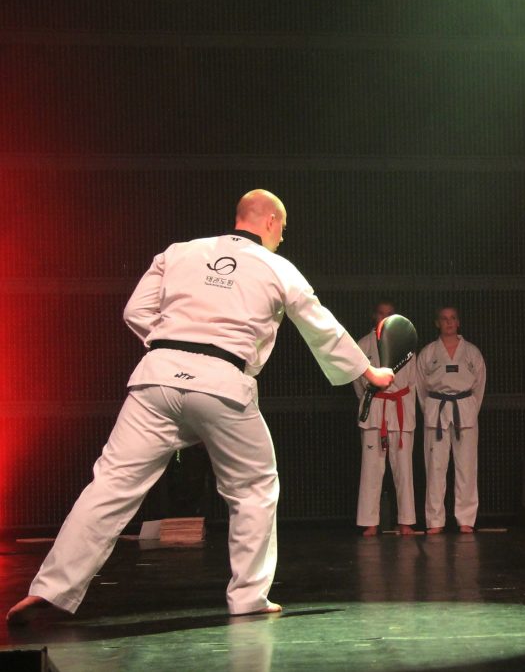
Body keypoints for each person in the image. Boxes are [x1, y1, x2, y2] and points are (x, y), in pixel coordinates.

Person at [6, 189, 394, 625]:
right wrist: (368, 372)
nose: (282, 238)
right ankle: (248, 597)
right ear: (270, 221)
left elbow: (135, 310)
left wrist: (175, 343)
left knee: (109, 485)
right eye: (282, 228)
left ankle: (50, 591)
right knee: (253, 487)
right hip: (222, 382)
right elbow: (319, 324)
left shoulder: (179, 252)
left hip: (156, 377)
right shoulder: (276, 266)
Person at [416, 306, 486, 534]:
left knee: (466, 467)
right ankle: (435, 520)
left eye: (453, 318)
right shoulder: (428, 352)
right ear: (437, 323)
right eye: (444, 319)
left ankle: (466, 519)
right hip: (436, 409)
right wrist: (430, 408)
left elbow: (479, 386)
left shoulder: (472, 352)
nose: (448, 322)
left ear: (458, 322)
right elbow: (420, 386)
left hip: (464, 408)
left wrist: (470, 408)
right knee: (435, 468)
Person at [355, 301, 418, 537]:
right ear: (374, 315)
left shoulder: (406, 344)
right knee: (371, 469)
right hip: (375, 408)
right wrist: (373, 399)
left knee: (404, 470)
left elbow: (412, 382)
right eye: (381, 313)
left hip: (400, 410)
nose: (384, 317)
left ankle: (406, 521)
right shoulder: (363, 344)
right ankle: (369, 522)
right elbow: (358, 383)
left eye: (389, 314)